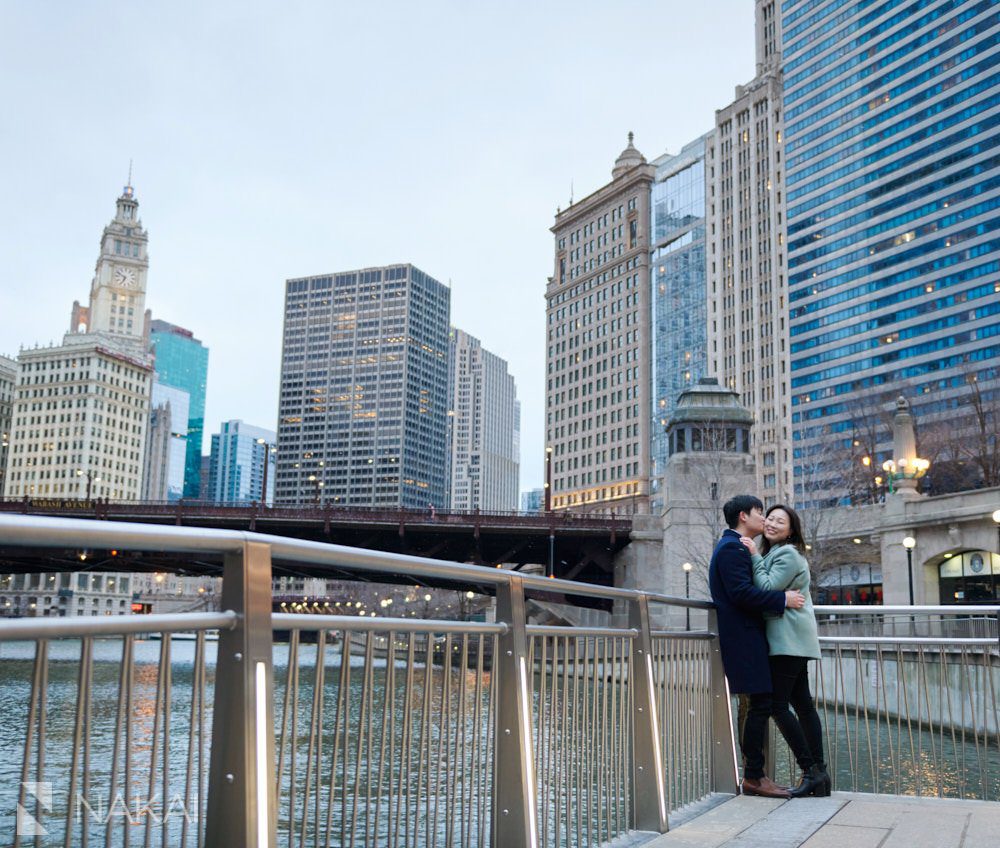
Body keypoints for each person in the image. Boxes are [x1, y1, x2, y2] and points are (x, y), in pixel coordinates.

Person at [709, 494, 805, 799]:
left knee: (760, 704)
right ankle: (753, 776)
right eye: (759, 513)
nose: (764, 519)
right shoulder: (731, 548)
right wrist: (783, 599)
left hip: (747, 636)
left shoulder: (735, 547)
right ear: (743, 517)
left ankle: (755, 774)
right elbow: (741, 593)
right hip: (743, 637)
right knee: (760, 704)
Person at [742, 504, 831, 798]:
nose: (771, 524)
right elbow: (776, 591)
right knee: (802, 705)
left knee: (778, 707)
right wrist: (781, 594)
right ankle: (820, 775)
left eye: (780, 521)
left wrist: (754, 556)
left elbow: (767, 588)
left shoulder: (787, 554)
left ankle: (812, 771)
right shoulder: (776, 553)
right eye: (770, 518)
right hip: (791, 638)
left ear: (791, 530)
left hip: (787, 640)